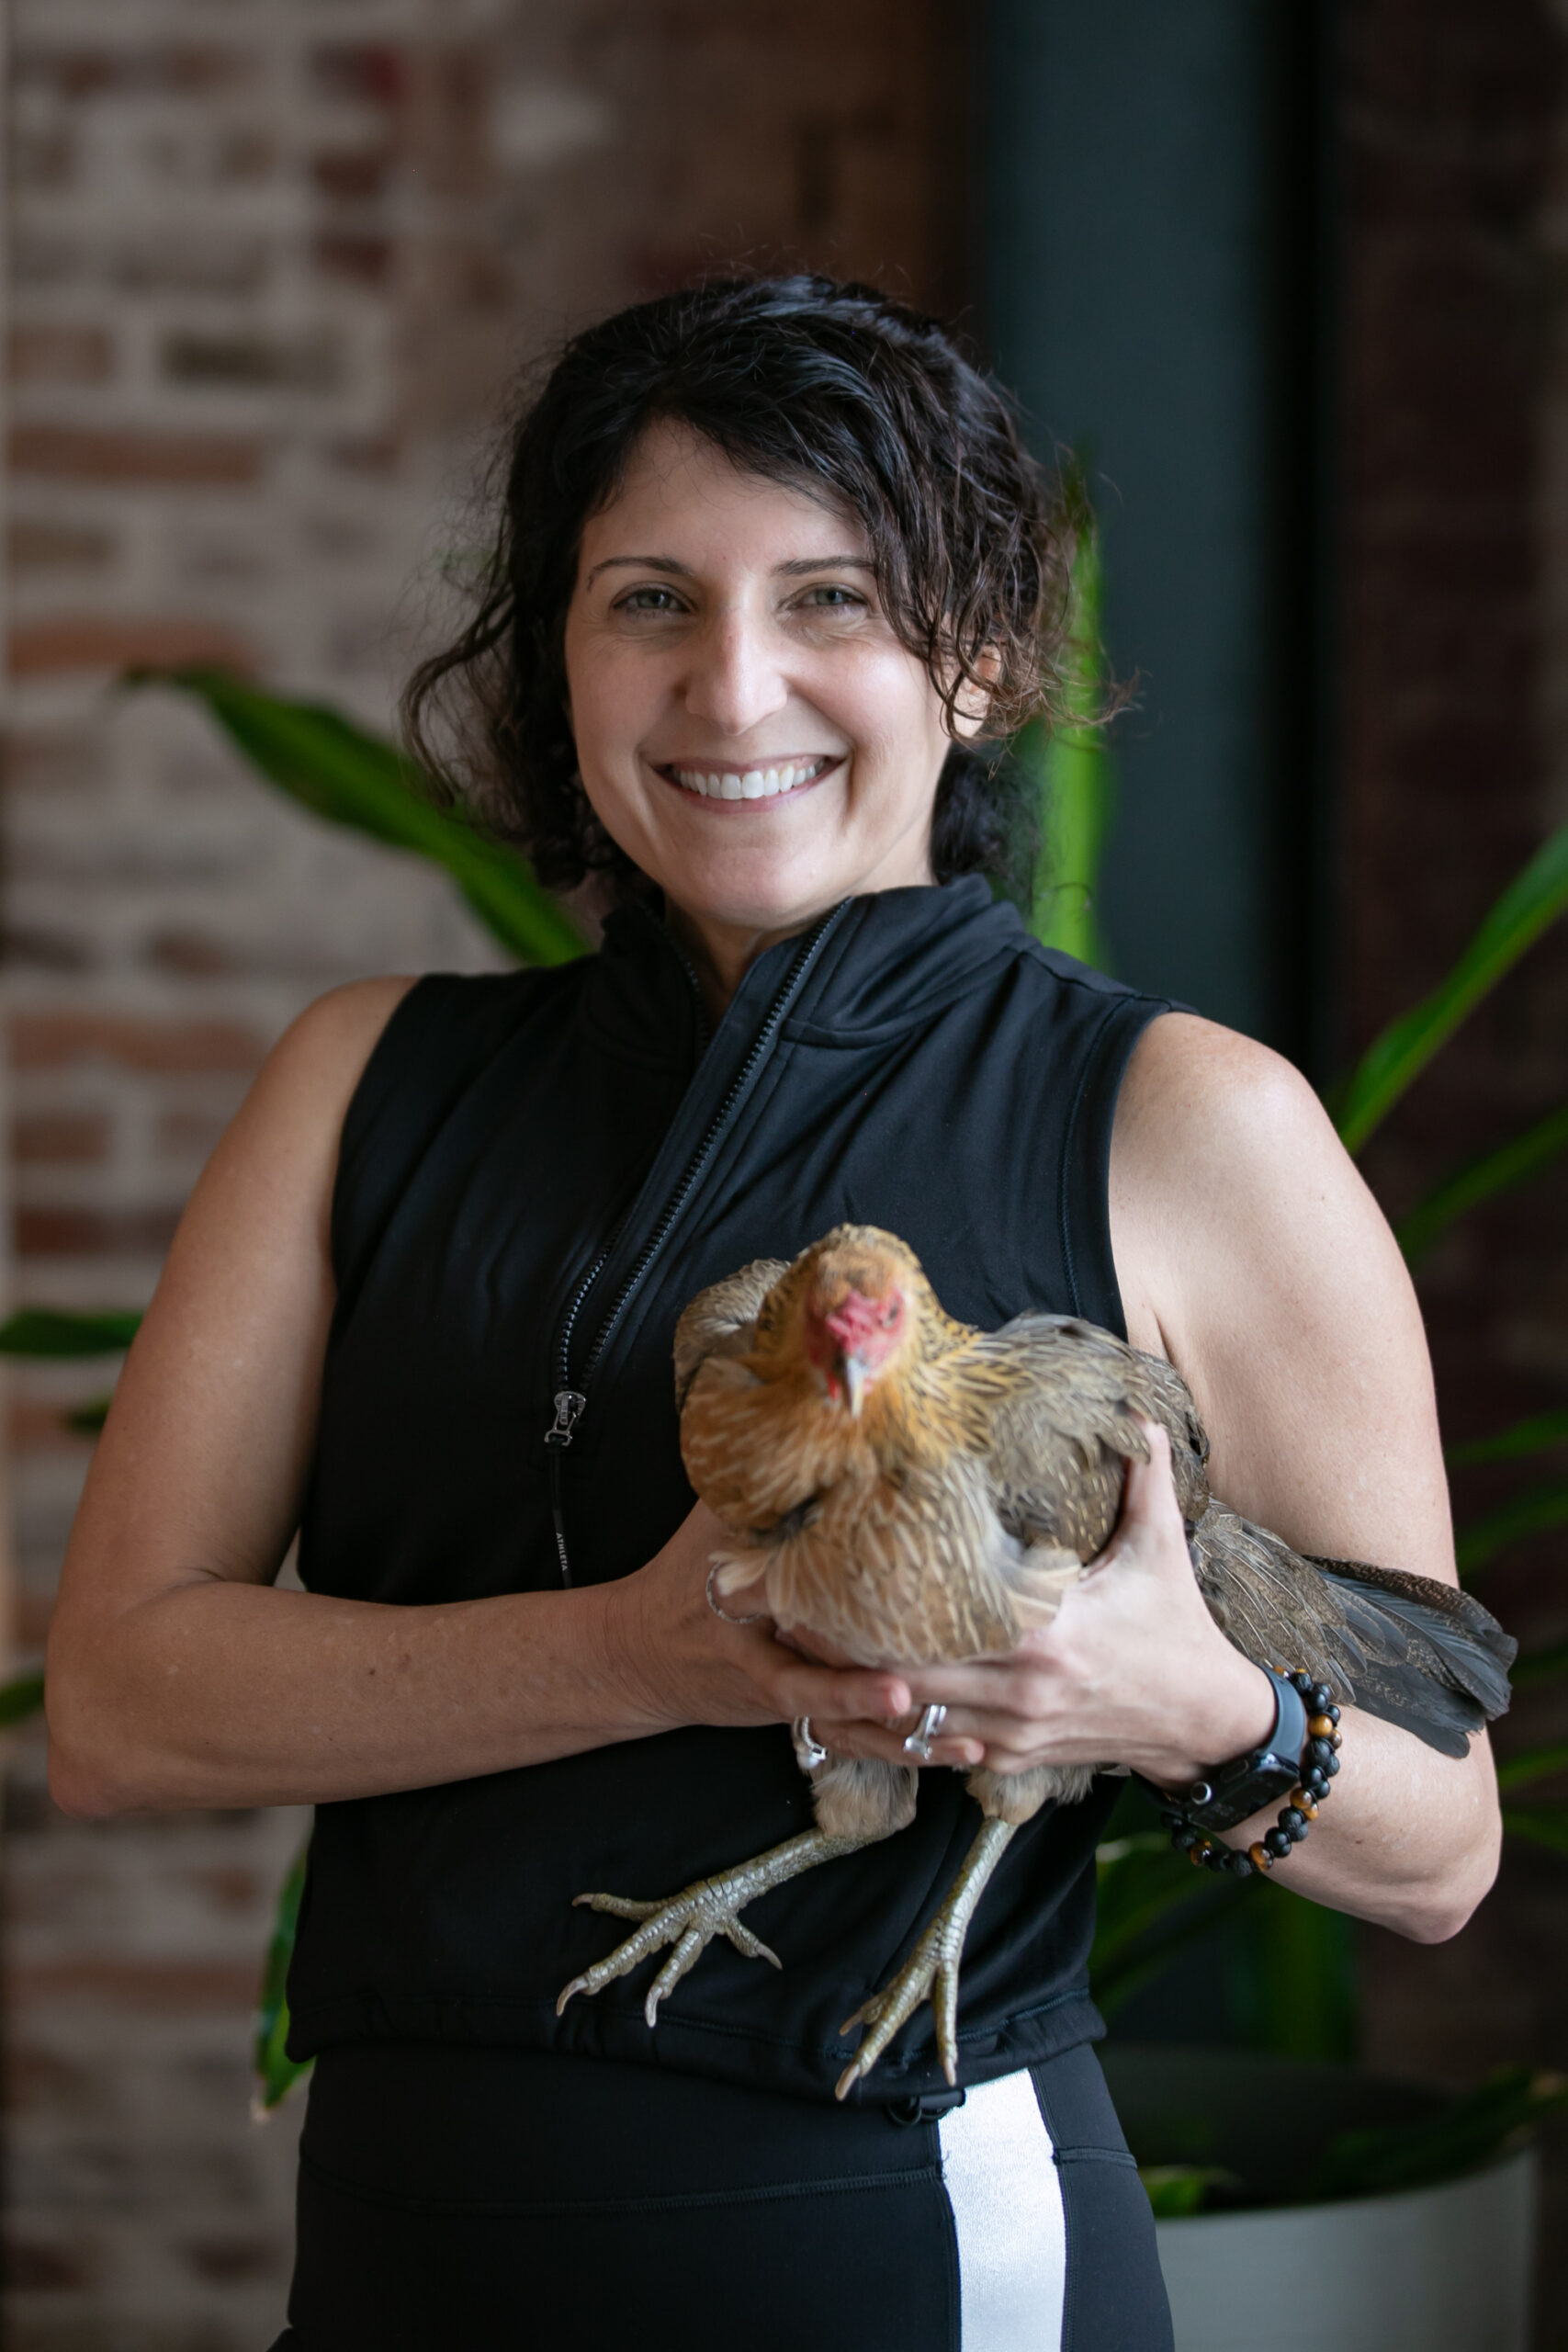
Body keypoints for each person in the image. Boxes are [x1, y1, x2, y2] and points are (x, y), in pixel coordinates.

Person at [45, 277, 1501, 2352]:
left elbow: (1437, 1843)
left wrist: (1195, 1707)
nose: (731, 689)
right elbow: (117, 1705)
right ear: (555, 655)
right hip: (404, 2246)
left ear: (975, 660)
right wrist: (642, 1657)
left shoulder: (1186, 1124)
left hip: (904, 2238)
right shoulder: (366, 1081)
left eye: (829, 599)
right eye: (647, 598)